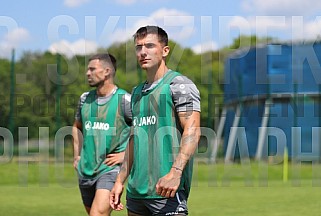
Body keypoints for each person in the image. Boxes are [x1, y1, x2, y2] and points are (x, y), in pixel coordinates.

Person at [110, 26, 201, 215]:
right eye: (138, 47)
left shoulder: (179, 85)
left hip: (166, 190)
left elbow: (192, 130)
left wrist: (175, 173)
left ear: (165, 51)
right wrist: (120, 181)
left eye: (150, 46)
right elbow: (134, 140)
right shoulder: (135, 93)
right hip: (135, 194)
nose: (143, 52)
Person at [72, 53, 132, 216]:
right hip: (86, 169)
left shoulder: (125, 100)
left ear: (107, 71)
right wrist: (77, 156)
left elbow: (143, 130)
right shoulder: (85, 99)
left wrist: (125, 155)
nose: (87, 73)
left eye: (92, 69)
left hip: (110, 169)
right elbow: (77, 127)